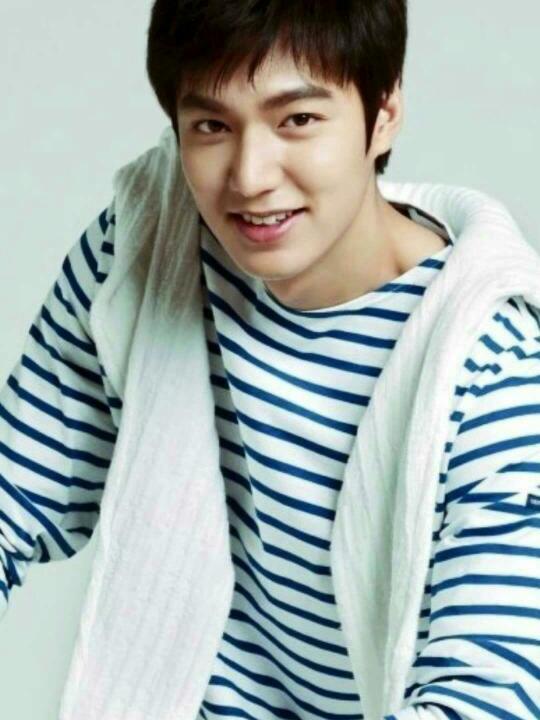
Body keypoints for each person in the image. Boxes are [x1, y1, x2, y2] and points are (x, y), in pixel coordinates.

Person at [1, 2, 539, 719]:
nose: (251, 177)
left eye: (298, 120)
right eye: (212, 127)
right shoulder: (142, 247)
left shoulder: (495, 368)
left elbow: (487, 697)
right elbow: (16, 494)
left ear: (384, 114)